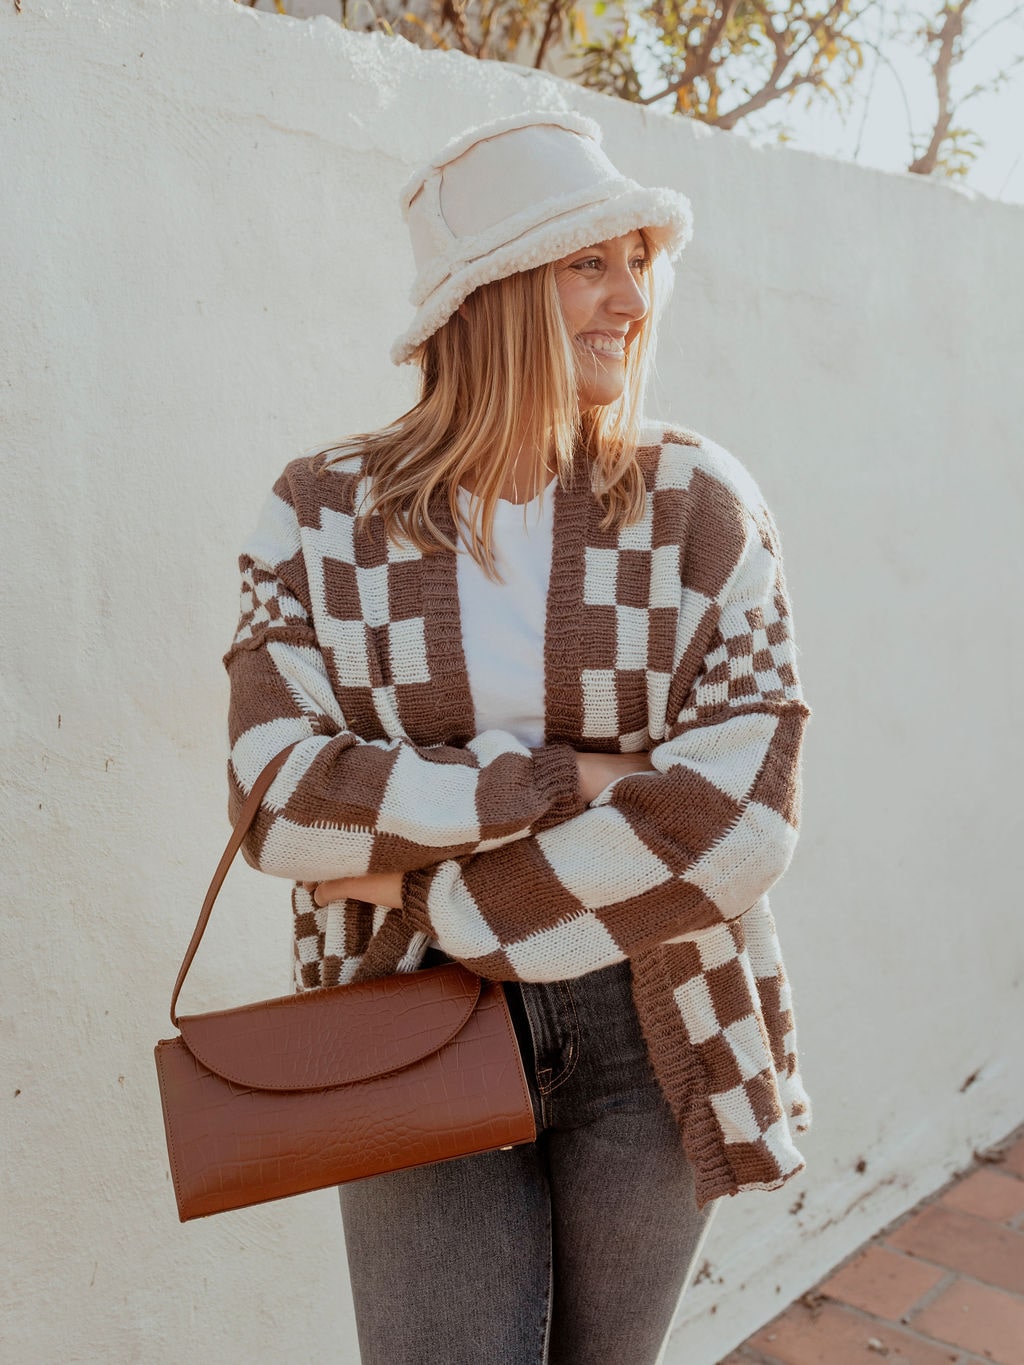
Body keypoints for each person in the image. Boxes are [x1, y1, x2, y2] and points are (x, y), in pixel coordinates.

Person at [224, 111, 811, 1365]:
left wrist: (426, 879)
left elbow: (745, 817)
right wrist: (575, 780)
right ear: (486, 291)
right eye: (588, 262)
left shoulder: (699, 502)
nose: (631, 298)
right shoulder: (319, 514)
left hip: (656, 1017)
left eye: (637, 261)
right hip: (404, 1015)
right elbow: (276, 794)